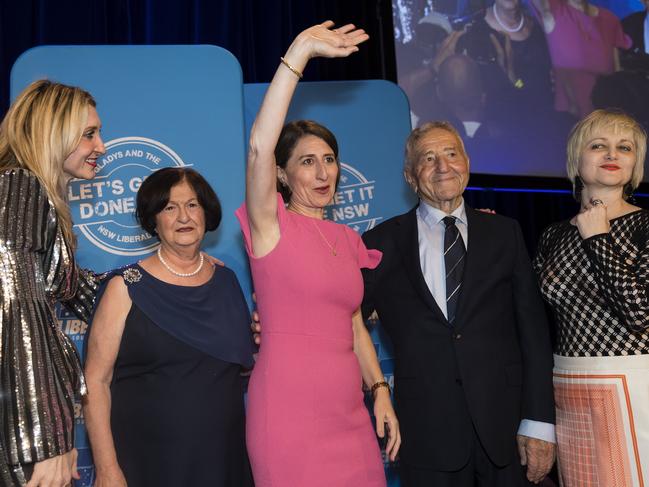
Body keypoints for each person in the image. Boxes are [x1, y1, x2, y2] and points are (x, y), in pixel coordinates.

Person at [235, 21, 400, 486]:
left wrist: (380, 391)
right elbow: (257, 149)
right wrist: (300, 53)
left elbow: (352, 323)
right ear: (283, 175)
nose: (323, 171)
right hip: (287, 418)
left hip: (349, 416)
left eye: (329, 159)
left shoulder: (348, 240)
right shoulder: (271, 227)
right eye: (307, 161)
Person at [361, 121, 556, 486]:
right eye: (428, 158)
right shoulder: (380, 242)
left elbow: (533, 332)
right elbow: (343, 311)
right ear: (410, 177)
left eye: (451, 153)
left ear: (466, 161)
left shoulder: (505, 233)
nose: (442, 165)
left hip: (506, 430)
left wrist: (540, 422)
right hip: (426, 435)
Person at [83, 167, 254, 487]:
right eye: (169, 207)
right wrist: (107, 469)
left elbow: (241, 365)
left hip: (223, 458)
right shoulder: (125, 287)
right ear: (153, 220)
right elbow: (96, 381)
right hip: (149, 462)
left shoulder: (227, 281)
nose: (183, 217)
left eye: (192, 205)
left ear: (206, 212)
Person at [534, 109, 649, 486]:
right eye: (599, 145)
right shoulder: (552, 235)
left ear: (636, 165)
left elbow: (639, 313)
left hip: (632, 383)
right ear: (576, 159)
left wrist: (599, 238)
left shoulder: (644, 225)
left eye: (624, 148)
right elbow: (533, 315)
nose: (612, 155)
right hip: (568, 386)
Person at [0, 80, 105, 487]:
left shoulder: (25, 193)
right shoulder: (20, 187)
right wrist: (45, 439)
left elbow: (81, 291)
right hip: (23, 439)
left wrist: (182, 277)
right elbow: (16, 314)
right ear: (51, 131)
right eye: (89, 134)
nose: (102, 147)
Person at [531, 0, 631, 117]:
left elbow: (617, 74)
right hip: (570, 117)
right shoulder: (554, 11)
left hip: (605, 115)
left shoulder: (609, 19)